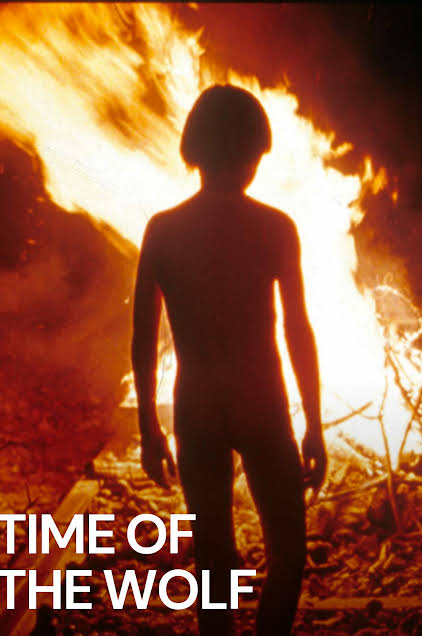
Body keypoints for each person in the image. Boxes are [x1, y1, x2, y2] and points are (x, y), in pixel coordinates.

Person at [132, 84, 327, 636]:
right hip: (261, 404)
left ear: (196, 149)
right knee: (288, 554)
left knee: (214, 562)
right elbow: (297, 330)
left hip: (197, 408)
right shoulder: (275, 227)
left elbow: (142, 337)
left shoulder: (163, 230)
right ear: (248, 154)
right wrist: (313, 423)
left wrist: (149, 426)